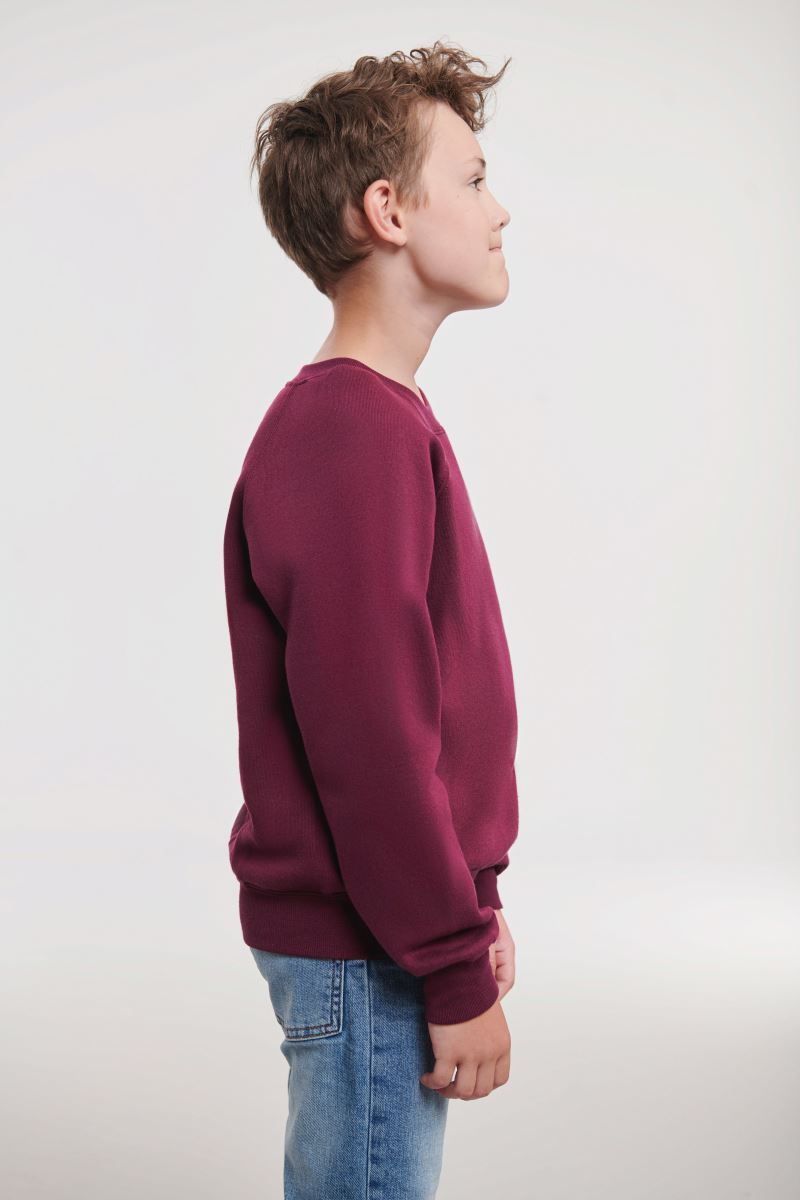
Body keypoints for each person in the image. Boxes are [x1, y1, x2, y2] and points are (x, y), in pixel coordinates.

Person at [223, 39, 519, 1199]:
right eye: (474, 178)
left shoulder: (379, 420)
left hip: (390, 932)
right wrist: (448, 962)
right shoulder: (345, 431)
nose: (500, 209)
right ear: (389, 211)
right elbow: (371, 740)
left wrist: (473, 905)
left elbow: (431, 716)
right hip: (368, 949)